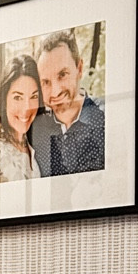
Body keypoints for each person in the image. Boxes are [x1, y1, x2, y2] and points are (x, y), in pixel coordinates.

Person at [28, 29, 104, 176]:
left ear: (79, 69)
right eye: (46, 82)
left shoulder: (106, 118)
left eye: (62, 75)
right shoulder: (34, 129)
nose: (55, 92)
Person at [0, 55, 41, 184]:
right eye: (18, 98)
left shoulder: (35, 145)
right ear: (4, 100)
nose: (27, 108)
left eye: (34, 96)